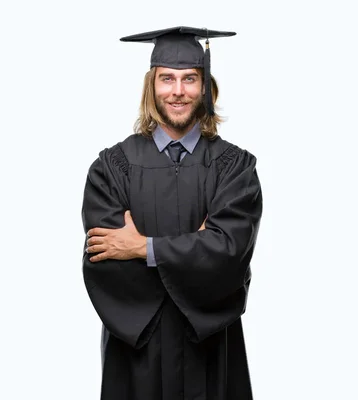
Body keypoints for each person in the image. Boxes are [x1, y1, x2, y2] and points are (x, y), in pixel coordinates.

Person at [81, 26, 263, 400]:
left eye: (189, 79)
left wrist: (143, 248)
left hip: (210, 345)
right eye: (167, 79)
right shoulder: (112, 168)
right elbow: (104, 260)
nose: (178, 91)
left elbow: (228, 251)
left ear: (205, 88)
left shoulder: (235, 168)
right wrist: (195, 250)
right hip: (139, 348)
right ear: (152, 86)